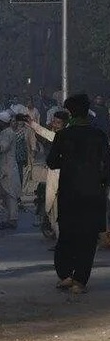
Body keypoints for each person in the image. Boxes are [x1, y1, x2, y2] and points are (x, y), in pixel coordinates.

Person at [47, 94, 110, 294]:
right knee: (88, 239)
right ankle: (80, 281)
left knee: (67, 235)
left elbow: (52, 162)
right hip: (93, 195)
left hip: (69, 193)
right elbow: (107, 167)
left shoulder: (63, 135)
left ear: (70, 112)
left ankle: (65, 274)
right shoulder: (99, 135)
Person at [27, 110, 70, 239]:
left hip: (65, 176)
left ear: (65, 123)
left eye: (58, 123)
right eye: (54, 122)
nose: (55, 125)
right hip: (54, 176)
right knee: (53, 208)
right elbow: (44, 136)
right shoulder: (57, 135)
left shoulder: (65, 136)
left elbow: (47, 135)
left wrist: (33, 125)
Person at [0, 110, 21, 230]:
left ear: (2, 122)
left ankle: (12, 219)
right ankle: (9, 218)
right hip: (3, 167)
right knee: (1, 192)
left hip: (7, 167)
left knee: (10, 194)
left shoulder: (7, 133)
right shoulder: (5, 132)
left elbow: (1, 148)